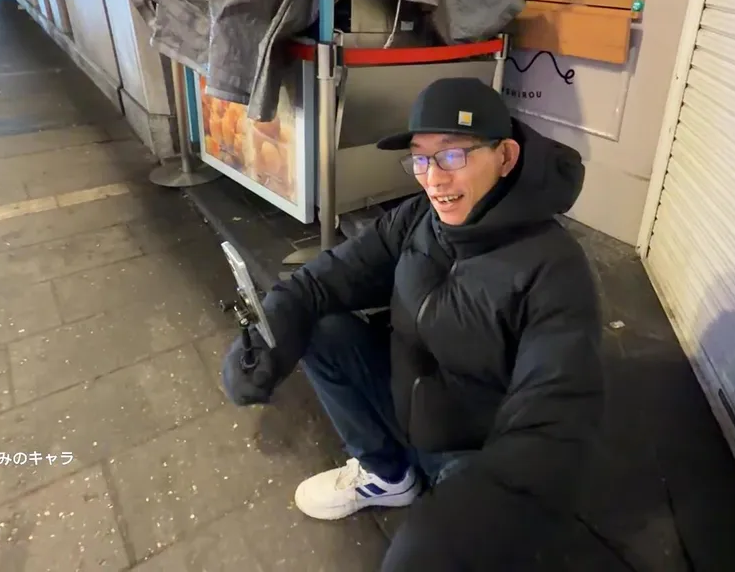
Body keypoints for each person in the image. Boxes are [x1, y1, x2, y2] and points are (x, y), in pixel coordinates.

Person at [221, 77, 605, 570]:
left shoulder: (555, 269)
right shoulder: (417, 219)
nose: (433, 180)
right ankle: (386, 474)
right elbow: (325, 279)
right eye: (421, 159)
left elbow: (555, 419)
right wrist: (267, 333)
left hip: (473, 458)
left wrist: (466, 517)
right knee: (317, 325)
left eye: (452, 155)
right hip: (405, 405)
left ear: (506, 157)